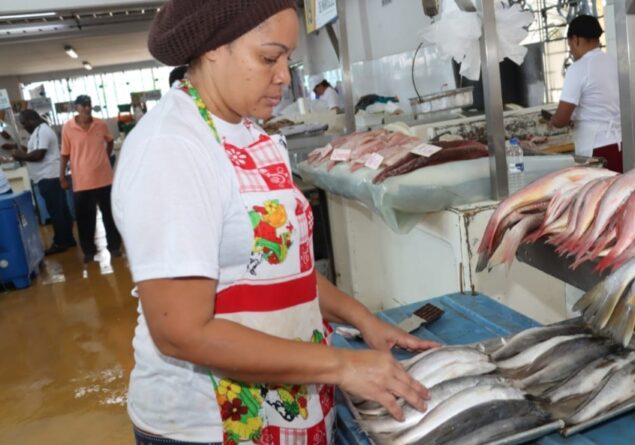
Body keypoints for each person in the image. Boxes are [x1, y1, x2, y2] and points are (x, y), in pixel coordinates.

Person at [112, 2, 437, 444]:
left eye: (288, 59)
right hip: (208, 424)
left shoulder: (249, 132)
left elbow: (278, 263)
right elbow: (180, 333)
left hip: (290, 401)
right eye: (269, 57)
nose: (284, 75)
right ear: (212, 49)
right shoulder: (172, 147)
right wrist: (341, 366)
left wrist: (361, 318)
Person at [548, 15, 623, 172]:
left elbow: (561, 119)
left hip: (596, 150)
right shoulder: (614, 61)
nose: (572, 51)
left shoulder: (579, 68)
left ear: (575, 40)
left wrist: (553, 121)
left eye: (570, 46)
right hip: (621, 145)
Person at [3, 110, 76, 254]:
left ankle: (60, 242)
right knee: (62, 210)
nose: (23, 127)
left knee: (56, 211)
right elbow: (34, 150)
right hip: (51, 176)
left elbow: (38, 155)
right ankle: (68, 239)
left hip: (48, 177)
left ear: (31, 120)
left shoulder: (41, 131)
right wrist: (20, 149)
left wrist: (20, 156)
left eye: (23, 123)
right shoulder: (41, 130)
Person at [60, 95, 123, 262]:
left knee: (110, 215)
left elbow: (109, 141)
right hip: (82, 181)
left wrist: (105, 157)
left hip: (104, 179)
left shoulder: (100, 124)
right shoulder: (68, 128)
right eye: (83, 106)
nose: (87, 108)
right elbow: (64, 154)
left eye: (89, 105)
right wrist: (62, 177)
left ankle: (115, 246)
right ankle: (89, 251)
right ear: (76, 108)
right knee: (85, 218)